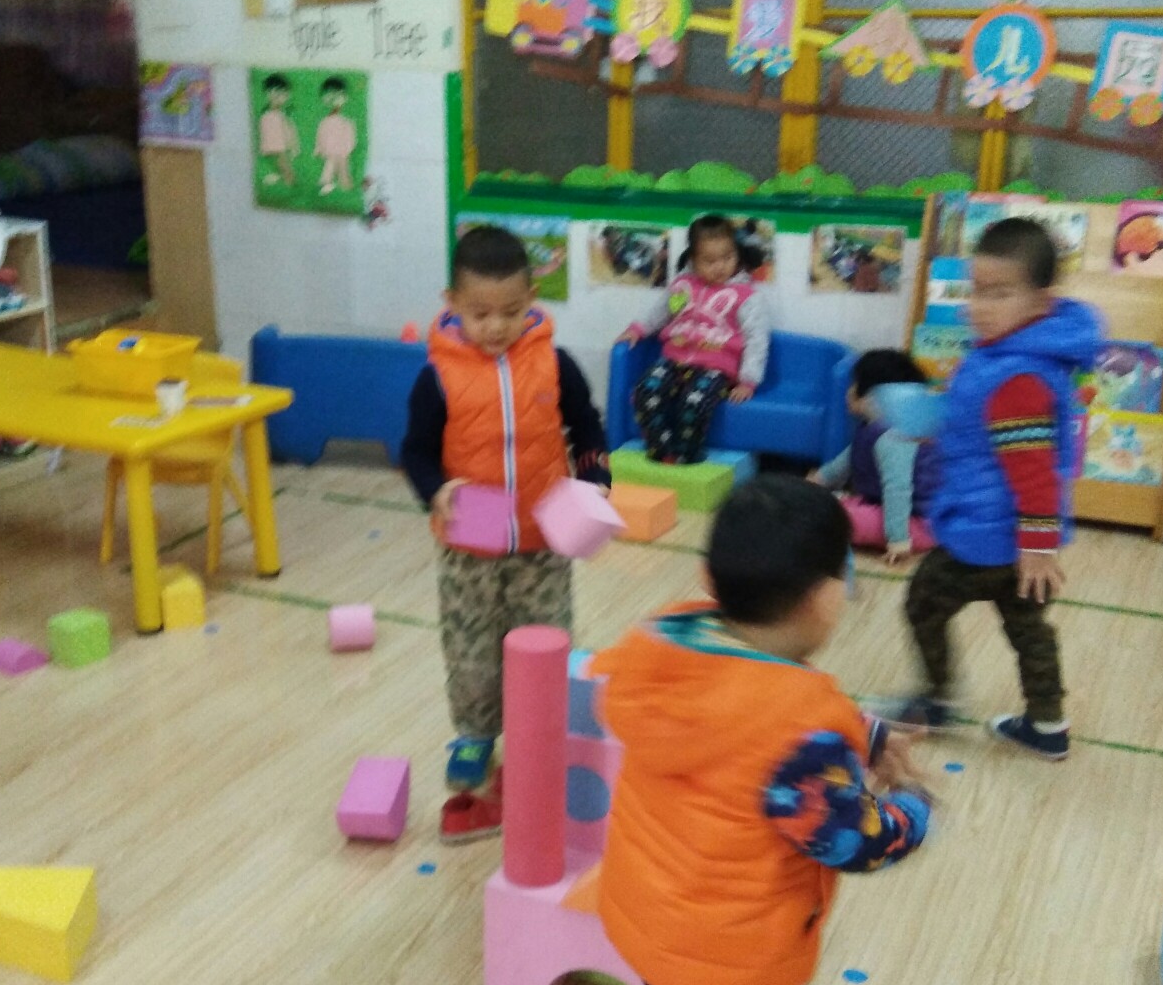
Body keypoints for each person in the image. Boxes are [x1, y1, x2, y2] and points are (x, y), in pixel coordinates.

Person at [592, 476, 934, 985]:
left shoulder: (670, 642)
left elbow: (745, 705)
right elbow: (852, 840)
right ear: (827, 596)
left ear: (708, 579)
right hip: (731, 964)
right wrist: (913, 814)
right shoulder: (797, 729)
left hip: (649, 916)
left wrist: (861, 734)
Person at [401, 227, 612, 843]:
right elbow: (415, 451)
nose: (496, 326)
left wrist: (596, 478)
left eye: (512, 311)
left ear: (532, 299)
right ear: (451, 303)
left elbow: (587, 427)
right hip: (470, 542)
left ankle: (540, 738)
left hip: (543, 538)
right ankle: (474, 735)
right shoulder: (437, 377)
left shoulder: (554, 363)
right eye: (480, 313)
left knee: (547, 642)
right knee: (470, 648)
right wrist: (436, 489)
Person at [885, 218, 1101, 760]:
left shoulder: (1016, 378)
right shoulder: (1013, 357)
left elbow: (1034, 471)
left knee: (923, 603)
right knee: (1028, 627)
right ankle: (1047, 724)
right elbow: (988, 436)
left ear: (1041, 302)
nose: (979, 306)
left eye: (999, 294)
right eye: (976, 291)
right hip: (1014, 537)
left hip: (986, 535)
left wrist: (1037, 547)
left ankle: (936, 699)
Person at [620, 214, 774, 465]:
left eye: (728, 258)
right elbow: (661, 312)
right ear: (693, 259)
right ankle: (662, 449)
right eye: (710, 261)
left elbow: (757, 339)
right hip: (673, 360)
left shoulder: (746, 296)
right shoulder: (682, 286)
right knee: (644, 391)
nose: (720, 266)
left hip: (716, 367)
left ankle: (688, 453)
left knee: (695, 402)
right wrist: (638, 329)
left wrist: (748, 380)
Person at [810, 350, 941, 568]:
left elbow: (897, 488)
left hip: (919, 523)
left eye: (853, 384)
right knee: (827, 506)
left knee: (833, 518)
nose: (848, 391)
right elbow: (844, 463)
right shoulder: (873, 429)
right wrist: (816, 482)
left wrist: (898, 540)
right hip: (887, 508)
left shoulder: (895, 437)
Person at [315, 76, 358, 195]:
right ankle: (326, 182)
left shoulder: (346, 121)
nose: (333, 98)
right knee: (330, 164)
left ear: (345, 97)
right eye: (329, 95)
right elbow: (321, 135)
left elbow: (350, 136)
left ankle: (344, 185)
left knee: (343, 168)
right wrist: (318, 148)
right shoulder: (324, 122)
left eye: (338, 95)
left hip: (342, 151)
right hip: (330, 150)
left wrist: (348, 149)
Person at [257, 73, 298, 186]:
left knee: (285, 169)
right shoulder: (267, 116)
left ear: (287, 95)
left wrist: (293, 146)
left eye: (282, 93)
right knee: (285, 170)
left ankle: (280, 179)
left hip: (282, 148)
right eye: (274, 92)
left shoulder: (282, 115)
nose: (278, 96)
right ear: (267, 93)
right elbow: (265, 134)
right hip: (276, 148)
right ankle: (285, 181)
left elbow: (289, 131)